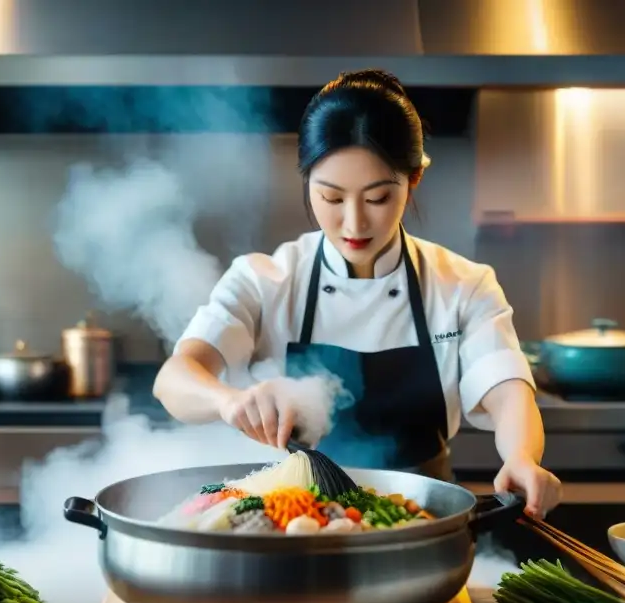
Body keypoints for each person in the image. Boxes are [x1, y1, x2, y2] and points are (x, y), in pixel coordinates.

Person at [153, 69, 562, 519]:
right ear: (308, 181)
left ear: (414, 179)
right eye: (331, 198)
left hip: (420, 520)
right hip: (298, 520)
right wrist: (228, 402)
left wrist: (522, 457)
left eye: (377, 198)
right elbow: (175, 377)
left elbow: (507, 391)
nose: (354, 223)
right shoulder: (265, 279)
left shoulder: (463, 284)